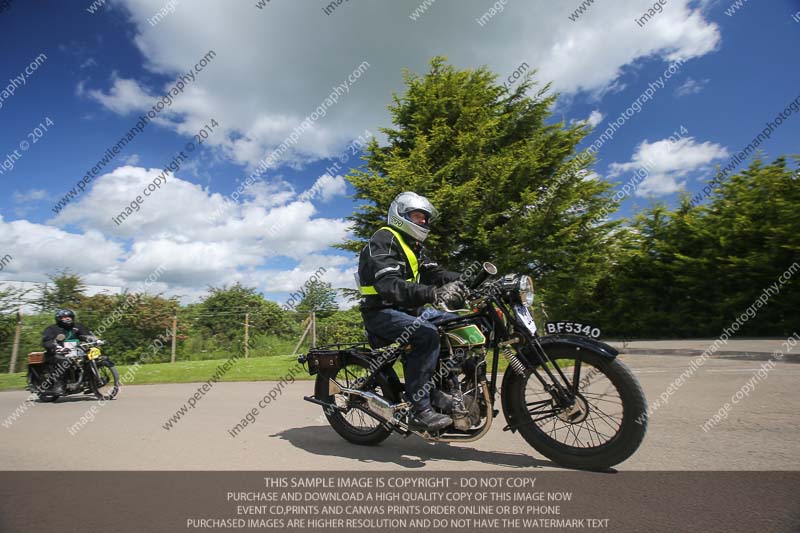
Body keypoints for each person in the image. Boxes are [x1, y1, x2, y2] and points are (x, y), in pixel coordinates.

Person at [358, 192, 469, 431]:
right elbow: (388, 285)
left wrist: (469, 280)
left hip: (410, 312)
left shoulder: (414, 245)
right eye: (416, 216)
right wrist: (432, 294)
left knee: (459, 324)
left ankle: (442, 389)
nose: (421, 221)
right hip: (381, 312)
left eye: (424, 218)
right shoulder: (383, 239)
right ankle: (420, 408)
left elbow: (436, 273)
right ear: (400, 215)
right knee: (426, 334)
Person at [41, 309, 95, 395]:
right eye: (64, 317)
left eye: (69, 317)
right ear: (59, 318)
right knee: (63, 361)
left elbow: (86, 335)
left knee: (89, 356)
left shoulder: (77, 327)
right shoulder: (52, 329)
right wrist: (57, 348)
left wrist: (95, 340)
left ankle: (90, 381)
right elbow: (47, 341)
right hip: (57, 353)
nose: (67, 319)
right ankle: (59, 385)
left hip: (74, 351)